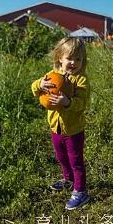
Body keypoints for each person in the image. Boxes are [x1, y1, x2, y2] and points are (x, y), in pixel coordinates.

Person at [31, 37, 91, 210]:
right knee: (61, 157)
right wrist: (39, 84)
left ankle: (80, 191)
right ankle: (68, 179)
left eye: (78, 59)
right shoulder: (52, 75)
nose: (73, 62)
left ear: (82, 61)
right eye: (69, 58)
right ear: (59, 58)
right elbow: (34, 88)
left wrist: (67, 102)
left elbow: (82, 104)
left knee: (76, 160)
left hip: (73, 130)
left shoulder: (81, 80)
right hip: (55, 128)